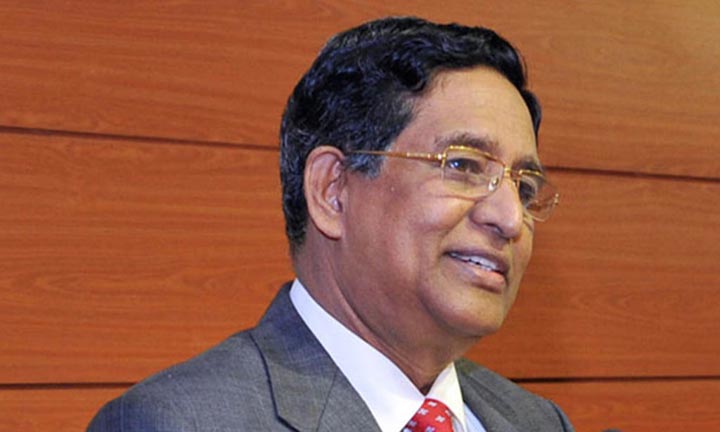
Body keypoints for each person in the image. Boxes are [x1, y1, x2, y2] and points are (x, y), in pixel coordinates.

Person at [88, 16, 571, 432]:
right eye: (463, 166)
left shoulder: (539, 421)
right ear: (332, 190)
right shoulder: (178, 422)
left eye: (525, 187)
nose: (511, 217)